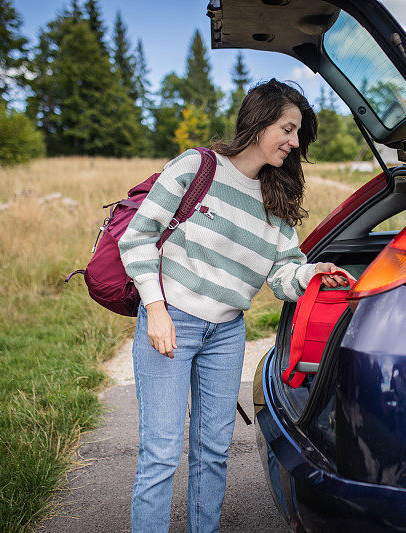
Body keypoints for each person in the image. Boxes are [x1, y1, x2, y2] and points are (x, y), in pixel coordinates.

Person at [118, 79, 349, 532]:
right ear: (259, 121)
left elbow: (283, 274)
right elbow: (138, 237)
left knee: (214, 451)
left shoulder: (276, 198)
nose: (294, 141)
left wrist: (312, 275)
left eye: (298, 132)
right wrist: (157, 308)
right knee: (161, 453)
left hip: (225, 333)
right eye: (288, 128)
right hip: (171, 321)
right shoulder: (197, 167)